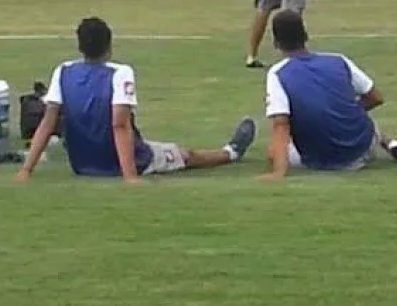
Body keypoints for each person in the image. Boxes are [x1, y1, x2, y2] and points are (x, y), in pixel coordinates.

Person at [16, 17, 256, 184]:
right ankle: (231, 152)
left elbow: (48, 123)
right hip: (123, 160)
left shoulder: (63, 71)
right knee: (186, 155)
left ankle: (229, 151)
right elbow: (119, 125)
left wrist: (27, 169)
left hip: (82, 163)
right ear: (109, 45)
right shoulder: (120, 73)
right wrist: (130, 175)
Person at [260, 9, 397, 181]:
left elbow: (281, 125)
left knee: (274, 150)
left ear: (276, 42)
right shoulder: (339, 60)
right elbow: (376, 97)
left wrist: (278, 172)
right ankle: (392, 144)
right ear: (305, 35)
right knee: (360, 115)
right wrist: (342, 110)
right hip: (364, 149)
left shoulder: (277, 73)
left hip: (320, 159)